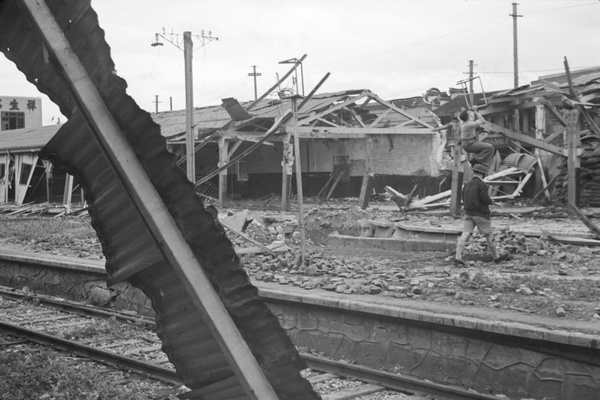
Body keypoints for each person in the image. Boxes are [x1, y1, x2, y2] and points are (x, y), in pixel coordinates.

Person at [454, 163, 509, 266]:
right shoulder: (482, 185)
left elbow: (463, 199)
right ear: (483, 174)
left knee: (465, 234)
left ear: (473, 172)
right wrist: (491, 202)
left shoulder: (466, 185)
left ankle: (457, 258)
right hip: (480, 214)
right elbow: (484, 198)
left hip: (468, 213)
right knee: (489, 235)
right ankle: (496, 257)